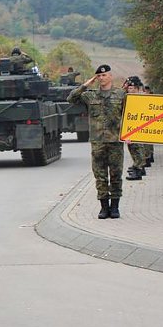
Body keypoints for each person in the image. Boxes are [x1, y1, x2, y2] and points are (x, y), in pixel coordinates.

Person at [68, 64, 126, 218]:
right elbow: (71, 98)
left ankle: (115, 207)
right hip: (98, 142)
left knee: (116, 174)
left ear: (110, 76)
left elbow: (130, 115)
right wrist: (86, 84)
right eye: (99, 76)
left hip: (115, 141)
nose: (101, 78)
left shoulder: (121, 94)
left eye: (104, 75)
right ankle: (103, 207)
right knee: (100, 175)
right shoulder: (90, 95)